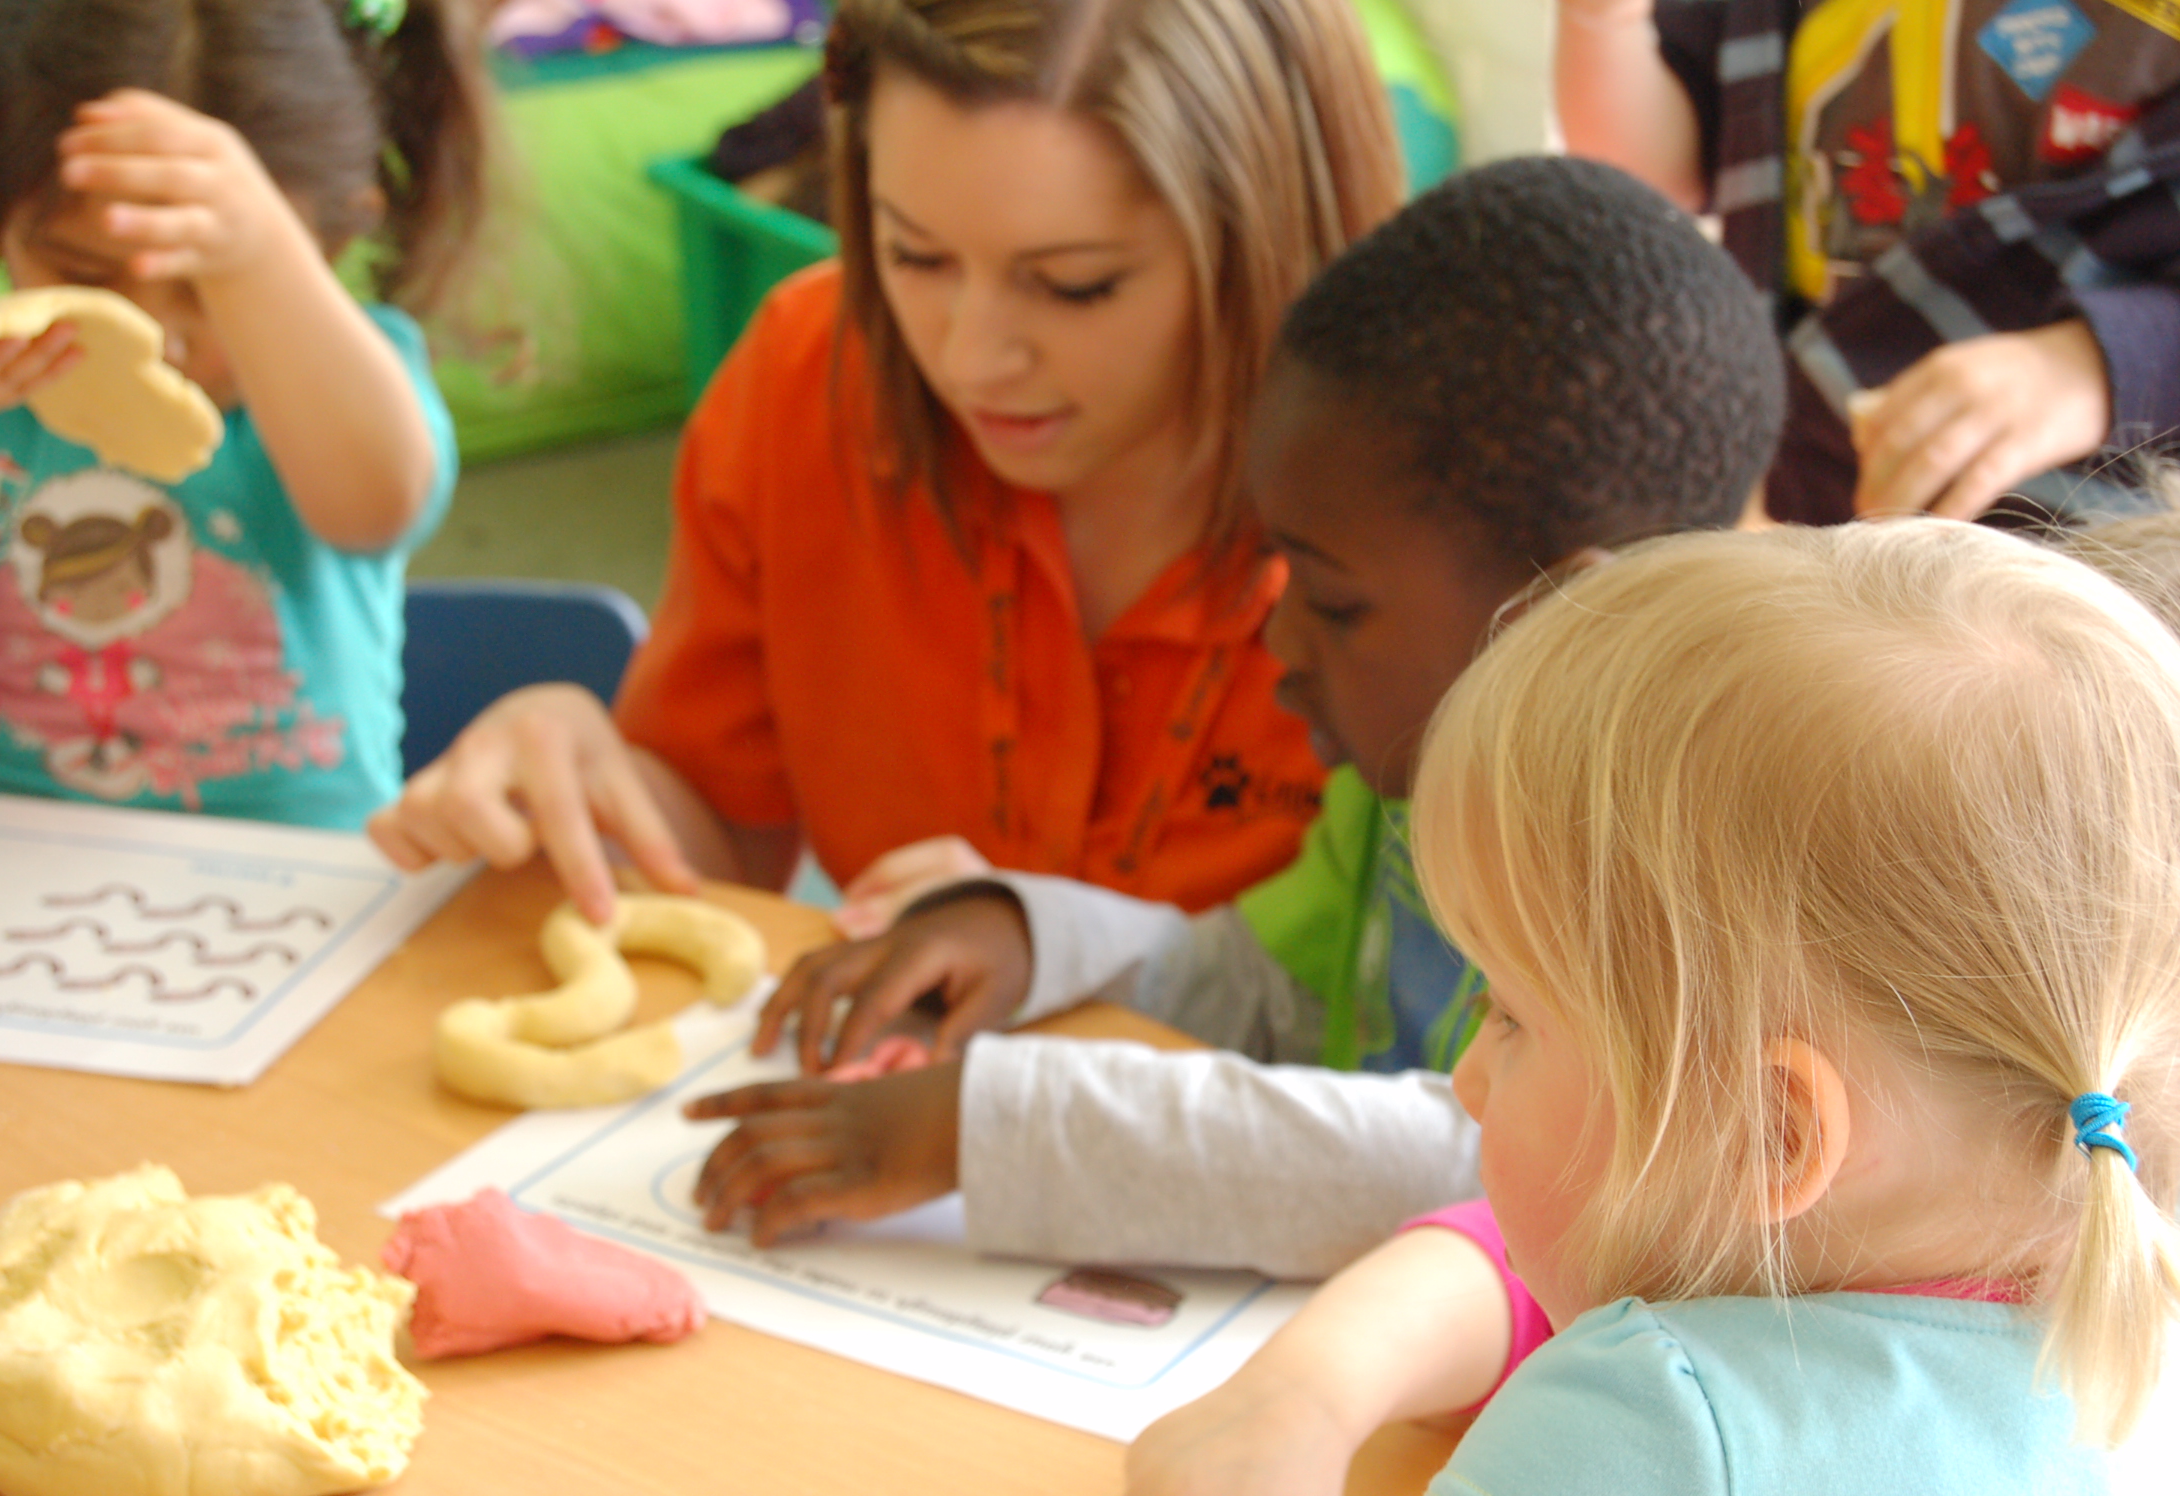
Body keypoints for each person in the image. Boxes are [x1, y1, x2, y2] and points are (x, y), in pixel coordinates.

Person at [680, 157, 1788, 1277]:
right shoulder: (1417, 779)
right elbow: (1269, 991)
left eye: (1337, 602)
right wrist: (1027, 938)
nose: (1282, 642)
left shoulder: (1707, 878)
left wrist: (983, 1125)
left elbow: (1483, 1162)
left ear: (1559, 618)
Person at [1129, 520, 2180, 1496]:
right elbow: (1525, 1251)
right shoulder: (2122, 1300)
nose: (1470, 1077)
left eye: (1511, 1016)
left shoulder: (1647, 1425)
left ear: (1772, 1131)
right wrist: (1308, 1386)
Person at [367, 0, 1403, 925]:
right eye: (916, 254)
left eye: (1074, 285)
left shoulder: (1427, 521)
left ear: (1266, 242)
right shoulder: (811, 371)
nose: (969, 357)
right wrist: (584, 774)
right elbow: (723, 852)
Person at [0, 0, 487, 829]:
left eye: (208, 288)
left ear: (325, 245)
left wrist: (260, 251)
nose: (156, 340)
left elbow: (377, 505)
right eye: (86, 273)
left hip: (296, 881)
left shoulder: (335, 380)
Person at [1557, 0, 2180, 527]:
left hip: (2083, 541)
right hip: (1807, 470)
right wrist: (1605, 21)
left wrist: (2089, 368)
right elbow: (1666, 166)